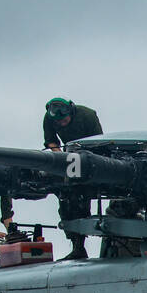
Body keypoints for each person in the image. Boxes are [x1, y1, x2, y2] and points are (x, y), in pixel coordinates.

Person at [43, 97, 102, 260]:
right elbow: (51, 141)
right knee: (66, 200)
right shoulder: (49, 117)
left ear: (71, 112)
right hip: (67, 159)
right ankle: (76, 245)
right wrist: (61, 156)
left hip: (90, 158)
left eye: (65, 120)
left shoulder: (88, 115)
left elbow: (99, 144)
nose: (62, 124)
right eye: (59, 122)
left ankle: (81, 243)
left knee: (82, 198)